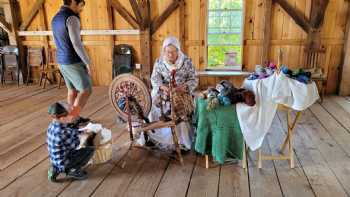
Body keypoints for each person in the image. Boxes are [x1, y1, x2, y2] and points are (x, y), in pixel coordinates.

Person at [148, 36, 198, 151]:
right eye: (167, 52)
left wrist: (184, 87)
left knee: (179, 107)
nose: (170, 54)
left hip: (181, 91)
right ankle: (156, 136)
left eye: (173, 52)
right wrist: (162, 87)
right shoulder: (160, 62)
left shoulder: (186, 62)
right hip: (164, 90)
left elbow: (194, 79)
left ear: (178, 51)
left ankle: (182, 141)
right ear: (164, 51)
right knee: (153, 102)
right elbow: (154, 78)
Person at [51, 0, 92, 125]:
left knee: (72, 90)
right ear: (73, 2)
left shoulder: (55, 18)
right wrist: (87, 62)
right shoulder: (72, 18)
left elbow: (56, 40)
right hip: (73, 61)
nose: (81, 9)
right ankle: (72, 119)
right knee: (85, 90)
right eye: (80, 6)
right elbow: (76, 43)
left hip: (62, 60)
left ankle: (71, 117)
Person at [47, 102, 95, 182]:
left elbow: (70, 131)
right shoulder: (63, 133)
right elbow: (76, 145)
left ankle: (55, 168)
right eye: (71, 114)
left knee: (60, 158)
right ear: (62, 118)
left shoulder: (53, 125)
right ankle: (72, 170)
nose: (74, 116)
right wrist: (85, 137)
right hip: (65, 161)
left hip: (55, 158)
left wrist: (81, 132)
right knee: (90, 149)